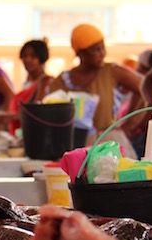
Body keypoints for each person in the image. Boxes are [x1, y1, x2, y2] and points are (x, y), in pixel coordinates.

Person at [48, 24, 142, 156]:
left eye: (103, 48)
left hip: (110, 146)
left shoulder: (113, 72)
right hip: (74, 148)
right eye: (96, 50)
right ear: (80, 53)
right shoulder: (62, 82)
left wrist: (130, 124)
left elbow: (146, 89)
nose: (102, 53)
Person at [8, 39, 53, 136]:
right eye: (25, 56)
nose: (27, 60)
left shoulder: (45, 81)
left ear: (42, 59)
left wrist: (8, 118)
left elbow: (37, 112)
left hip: (33, 137)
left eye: (33, 56)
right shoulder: (27, 82)